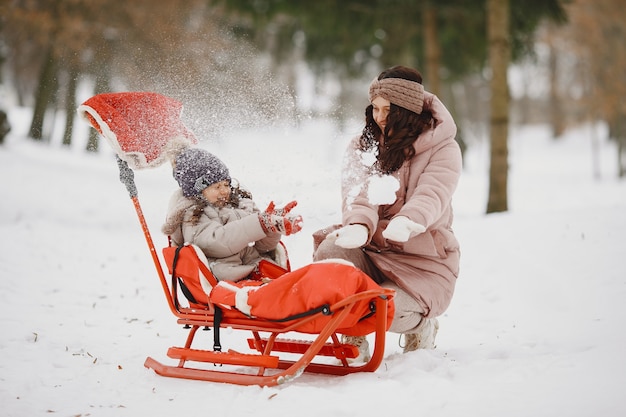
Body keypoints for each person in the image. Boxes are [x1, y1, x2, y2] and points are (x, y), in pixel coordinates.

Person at [313, 65, 462, 359]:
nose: (379, 118)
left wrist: (409, 220)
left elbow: (433, 193)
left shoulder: (444, 148)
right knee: (331, 252)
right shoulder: (362, 145)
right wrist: (359, 224)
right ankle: (351, 334)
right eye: (375, 109)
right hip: (372, 251)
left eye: (388, 110)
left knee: (384, 308)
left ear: (407, 110)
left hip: (421, 263)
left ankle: (421, 325)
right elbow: (358, 191)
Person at [162, 147, 303, 282]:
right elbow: (217, 242)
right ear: (197, 191)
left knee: (302, 284)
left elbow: (263, 247)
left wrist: (272, 226)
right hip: (226, 279)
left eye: (226, 184)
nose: (224, 191)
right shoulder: (195, 216)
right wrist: (259, 223)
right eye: (217, 187)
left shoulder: (241, 205)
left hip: (258, 271)